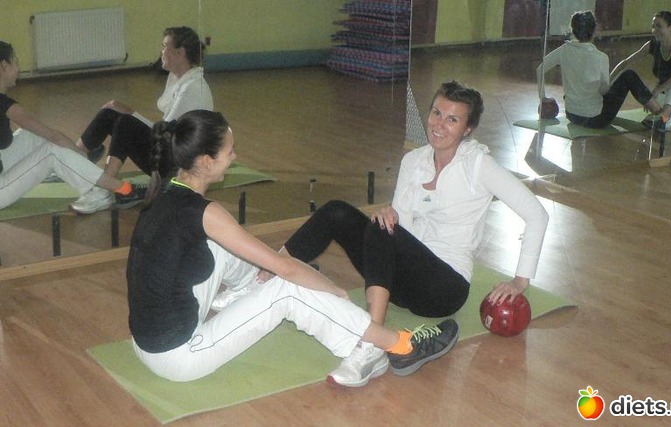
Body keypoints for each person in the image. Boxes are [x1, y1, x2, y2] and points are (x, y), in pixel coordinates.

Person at [214, 80, 548, 370]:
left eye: (452, 119)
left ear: (468, 128)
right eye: (436, 113)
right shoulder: (413, 160)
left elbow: (537, 214)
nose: (439, 125)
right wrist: (390, 215)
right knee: (338, 212)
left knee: (380, 226)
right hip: (400, 281)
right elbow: (398, 225)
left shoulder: (480, 166)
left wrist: (519, 281)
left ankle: (371, 341)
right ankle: (264, 277)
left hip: (443, 288)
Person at [126, 109, 459, 388]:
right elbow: (285, 268)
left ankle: (250, 287)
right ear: (206, 161)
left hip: (147, 341)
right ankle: (400, 345)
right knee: (287, 290)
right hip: (178, 355)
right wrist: (331, 289)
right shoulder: (204, 212)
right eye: (229, 152)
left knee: (221, 247)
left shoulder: (165, 193)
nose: (235, 157)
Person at [70, 26, 213, 214]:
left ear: (180, 53)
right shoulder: (178, 78)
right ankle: (72, 158)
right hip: (172, 149)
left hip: (183, 168)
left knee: (126, 123)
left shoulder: (193, 87)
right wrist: (127, 112)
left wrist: (131, 113)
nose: (161, 52)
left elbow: (163, 132)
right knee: (109, 114)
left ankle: (103, 189)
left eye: (165, 47)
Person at [0, 41, 144, 212]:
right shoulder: (7, 106)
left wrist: (77, 157)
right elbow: (54, 137)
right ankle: (120, 189)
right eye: (15, 62)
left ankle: (66, 168)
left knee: (31, 135)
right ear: (3, 66)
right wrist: (80, 155)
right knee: (53, 152)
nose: (18, 67)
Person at [536, 10, 663, 129]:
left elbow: (539, 69)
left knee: (576, 88)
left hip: (572, 116)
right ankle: (660, 114)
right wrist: (612, 81)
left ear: (573, 30)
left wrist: (543, 98)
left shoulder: (563, 50)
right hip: (596, 120)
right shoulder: (601, 57)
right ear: (594, 30)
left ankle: (655, 110)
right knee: (629, 75)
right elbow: (604, 91)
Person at [611, 11, 671, 132]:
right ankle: (663, 118)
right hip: (662, 99)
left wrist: (658, 89)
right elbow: (626, 62)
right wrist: (609, 80)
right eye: (653, 26)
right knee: (638, 81)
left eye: (659, 26)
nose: (654, 30)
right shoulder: (652, 45)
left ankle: (664, 119)